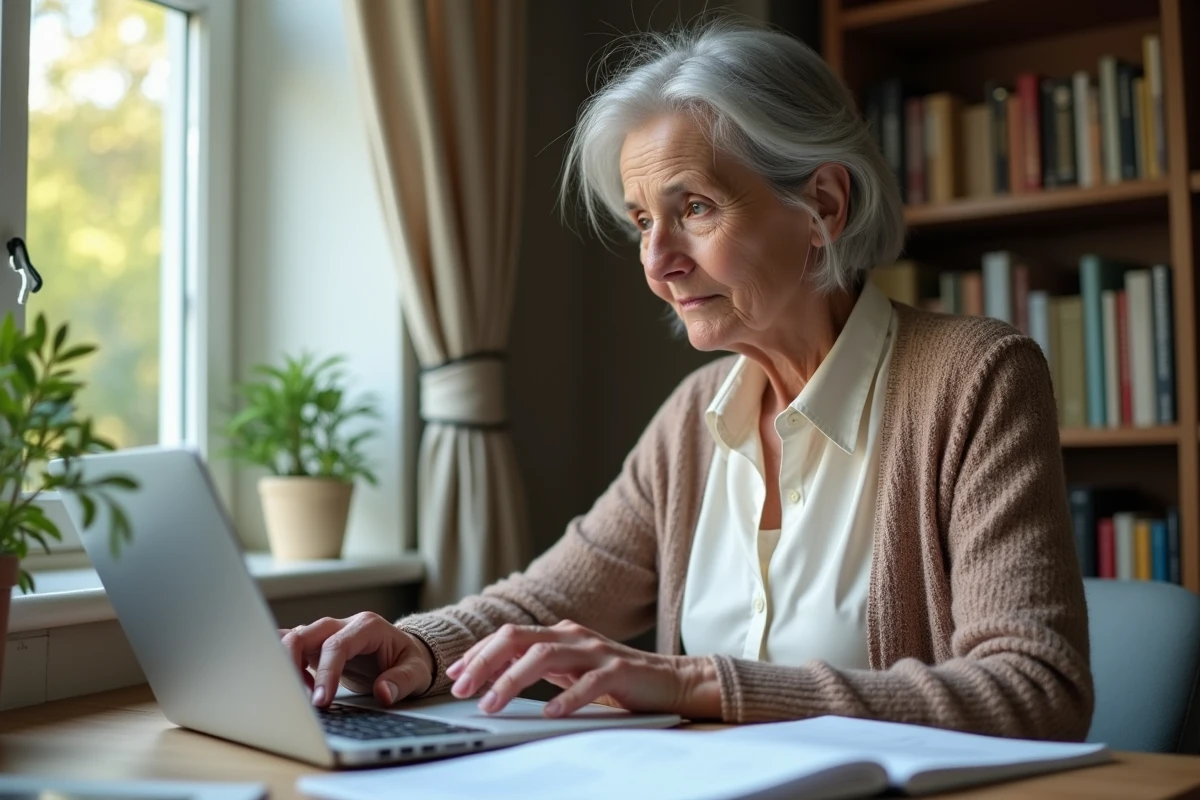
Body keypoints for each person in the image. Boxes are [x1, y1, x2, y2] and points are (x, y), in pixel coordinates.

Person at [281, 21, 1093, 741]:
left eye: (695, 208)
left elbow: (1036, 690)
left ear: (824, 206)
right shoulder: (692, 419)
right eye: (642, 221)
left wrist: (696, 683)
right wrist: (415, 647)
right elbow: (545, 603)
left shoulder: (977, 380)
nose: (658, 262)